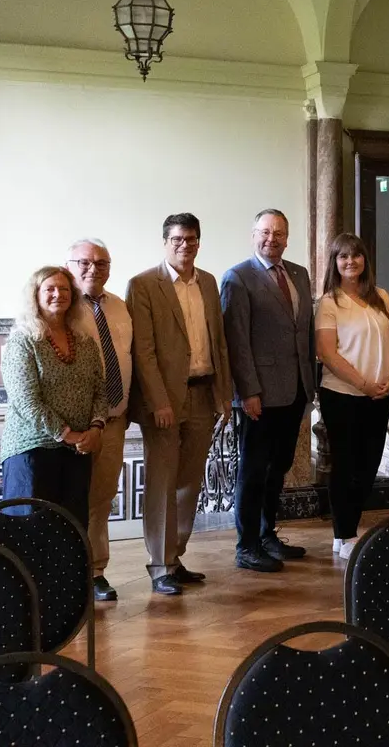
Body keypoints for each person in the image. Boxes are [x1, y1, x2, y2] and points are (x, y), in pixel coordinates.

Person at [126, 212, 232, 596]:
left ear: (199, 242)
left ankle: (175, 556)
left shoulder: (208, 282)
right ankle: (159, 565)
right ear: (165, 242)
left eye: (191, 239)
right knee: (162, 482)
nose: (184, 245)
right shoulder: (142, 285)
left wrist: (224, 395)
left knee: (189, 481)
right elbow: (144, 351)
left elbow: (218, 342)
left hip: (204, 393)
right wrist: (158, 401)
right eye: (177, 239)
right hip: (166, 400)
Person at [220, 209, 315, 573]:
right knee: (254, 470)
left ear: (287, 237)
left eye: (278, 233)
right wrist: (247, 392)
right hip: (258, 394)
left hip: (294, 391)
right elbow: (237, 341)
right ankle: (246, 545)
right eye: (264, 232)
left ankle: (266, 535)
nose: (271, 239)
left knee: (280, 467)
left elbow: (303, 333)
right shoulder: (238, 278)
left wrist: (309, 384)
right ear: (253, 235)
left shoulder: (298, 274)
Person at [0, 266, 107, 524]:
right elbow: (26, 401)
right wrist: (67, 434)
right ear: (35, 296)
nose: (58, 294)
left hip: (77, 451)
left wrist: (95, 428)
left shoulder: (84, 341)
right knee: (31, 534)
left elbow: (100, 391)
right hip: (32, 451)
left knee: (71, 533)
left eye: (65, 289)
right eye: (50, 289)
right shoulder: (23, 340)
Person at [316, 233, 389, 561]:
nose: (351, 262)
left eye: (356, 256)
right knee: (345, 465)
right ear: (335, 263)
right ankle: (344, 532)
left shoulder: (381, 297)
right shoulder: (329, 303)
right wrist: (363, 384)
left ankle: (347, 526)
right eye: (343, 257)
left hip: (378, 396)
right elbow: (326, 353)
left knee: (369, 465)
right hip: (343, 395)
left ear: (365, 259)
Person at [65, 239, 134, 602]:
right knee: (70, 500)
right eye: (85, 262)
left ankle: (95, 572)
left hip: (113, 419)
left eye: (102, 263)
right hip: (73, 427)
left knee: (102, 499)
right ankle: (65, 572)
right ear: (69, 264)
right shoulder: (60, 306)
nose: (93, 269)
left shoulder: (121, 307)